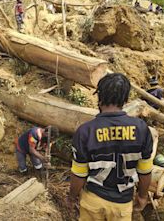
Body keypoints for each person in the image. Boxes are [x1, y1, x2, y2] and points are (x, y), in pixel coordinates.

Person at [67, 73, 154, 221]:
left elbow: (79, 174)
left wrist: (71, 197)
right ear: (125, 99)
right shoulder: (141, 129)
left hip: (93, 200)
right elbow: (145, 171)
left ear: (99, 98)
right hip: (123, 204)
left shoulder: (85, 131)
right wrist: (142, 195)